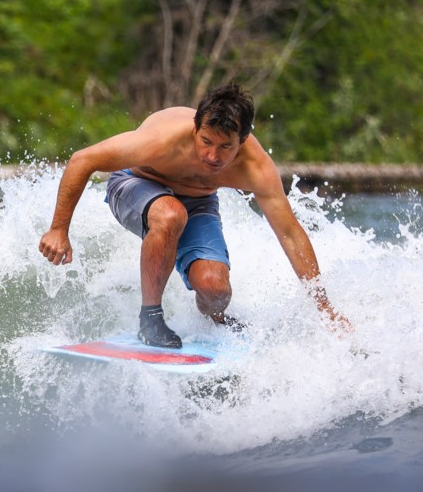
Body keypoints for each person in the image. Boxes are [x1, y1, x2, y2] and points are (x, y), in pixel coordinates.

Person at [38, 83, 348, 348]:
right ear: (195, 129)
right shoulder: (163, 141)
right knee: (171, 215)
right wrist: (58, 230)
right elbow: (82, 160)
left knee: (215, 288)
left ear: (243, 141)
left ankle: (217, 321)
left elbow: (290, 234)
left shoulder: (257, 168)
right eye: (206, 142)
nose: (213, 156)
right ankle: (151, 320)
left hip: (198, 204)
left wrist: (324, 308)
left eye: (226, 147)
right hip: (134, 184)